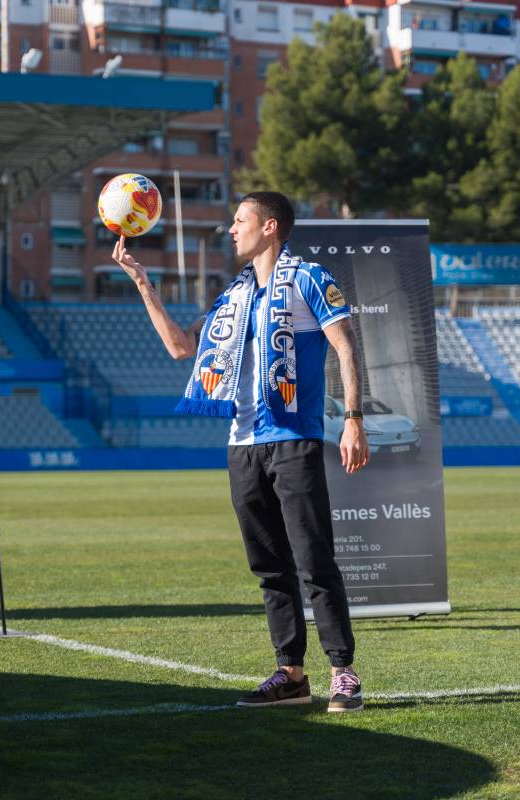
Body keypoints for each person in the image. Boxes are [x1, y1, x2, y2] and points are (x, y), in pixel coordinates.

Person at [112, 191, 370, 712]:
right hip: (242, 444)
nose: (231, 230)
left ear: (270, 226)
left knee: (314, 560)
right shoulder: (233, 293)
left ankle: (344, 672)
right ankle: (291, 674)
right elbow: (182, 348)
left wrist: (353, 419)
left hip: (293, 440)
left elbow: (344, 344)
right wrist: (143, 283)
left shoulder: (308, 279)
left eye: (239, 221)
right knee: (269, 567)